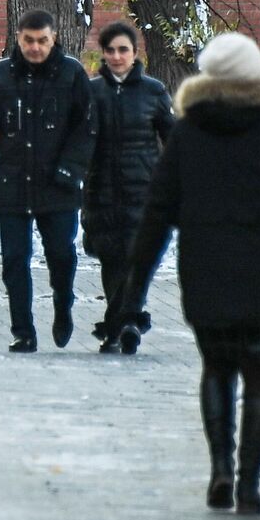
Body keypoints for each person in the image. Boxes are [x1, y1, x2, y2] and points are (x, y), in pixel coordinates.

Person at [116, 32, 260, 515]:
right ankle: (249, 482)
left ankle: (221, 471)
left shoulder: (188, 132)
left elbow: (157, 213)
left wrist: (133, 291)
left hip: (206, 270)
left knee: (218, 367)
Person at [0, 9, 96, 353]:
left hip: (59, 186)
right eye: (29, 40)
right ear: (19, 38)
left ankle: (63, 305)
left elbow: (87, 129)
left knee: (61, 255)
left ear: (54, 39)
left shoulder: (71, 74)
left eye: (42, 41)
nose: (35, 47)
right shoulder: (0, 76)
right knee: (14, 260)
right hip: (14, 183)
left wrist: (71, 169)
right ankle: (23, 331)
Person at [82, 21, 174, 354]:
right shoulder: (92, 92)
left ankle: (124, 323)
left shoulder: (154, 92)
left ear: (135, 53)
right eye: (111, 50)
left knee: (137, 259)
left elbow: (172, 138)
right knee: (111, 261)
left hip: (143, 191)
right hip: (102, 191)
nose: (118, 56)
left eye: (124, 50)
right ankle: (123, 322)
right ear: (104, 55)